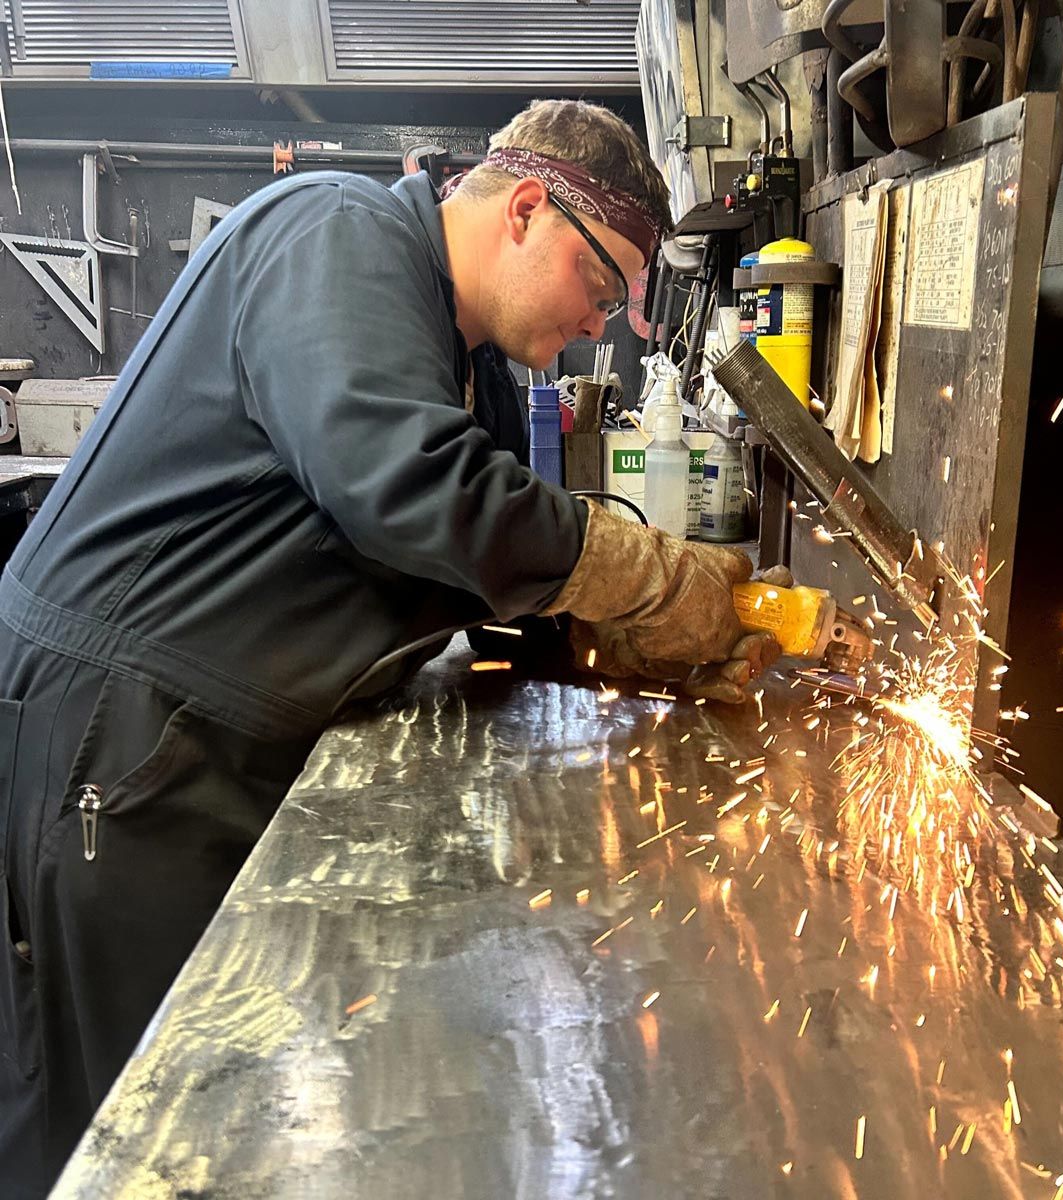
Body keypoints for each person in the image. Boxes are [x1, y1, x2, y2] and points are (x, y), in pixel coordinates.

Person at [0, 98, 777, 1194]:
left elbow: (481, 577)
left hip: (214, 731)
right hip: (121, 735)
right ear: (524, 210)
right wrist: (650, 577)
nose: (597, 326)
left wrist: (623, 641)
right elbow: (413, 491)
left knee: (216, 1107)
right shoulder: (336, 232)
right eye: (599, 288)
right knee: (131, 1122)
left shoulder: (478, 370)